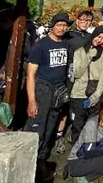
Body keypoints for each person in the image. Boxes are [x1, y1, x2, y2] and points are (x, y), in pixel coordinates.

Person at [25, 13, 72, 165]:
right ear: (52, 26)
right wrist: (32, 100)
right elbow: (31, 74)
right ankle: (29, 158)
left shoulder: (65, 44)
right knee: (37, 125)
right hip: (43, 88)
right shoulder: (41, 45)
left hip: (59, 89)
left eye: (64, 25)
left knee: (51, 125)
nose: (61, 28)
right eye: (59, 25)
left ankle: (42, 158)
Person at [64, 94, 103, 182]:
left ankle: (84, 177)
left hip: (91, 156)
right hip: (77, 160)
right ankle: (77, 174)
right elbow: (88, 151)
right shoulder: (92, 123)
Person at [69, 26, 103, 146]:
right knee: (77, 124)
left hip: (94, 92)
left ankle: (87, 149)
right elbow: (77, 73)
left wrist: (95, 97)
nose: (100, 40)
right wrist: (89, 56)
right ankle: (75, 150)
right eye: (98, 36)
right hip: (79, 92)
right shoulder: (79, 52)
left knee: (91, 124)